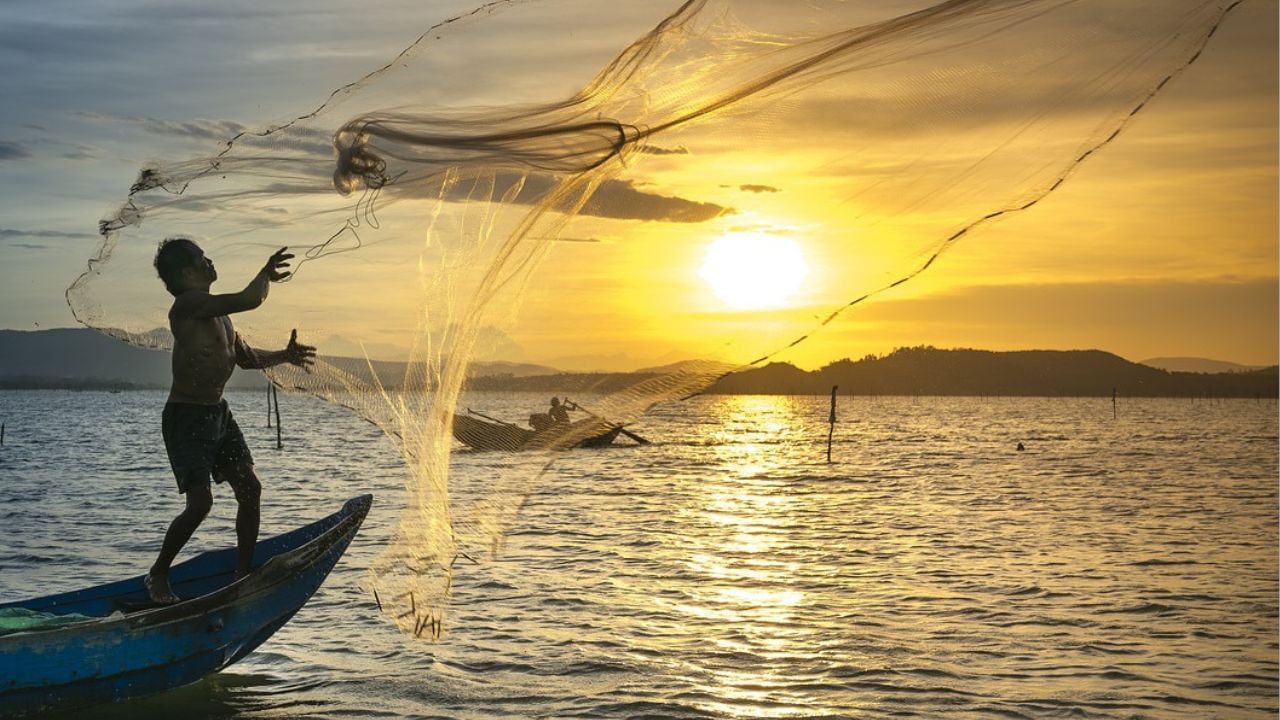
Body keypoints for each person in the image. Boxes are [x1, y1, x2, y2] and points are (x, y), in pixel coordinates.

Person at [145, 237, 316, 604]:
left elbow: (247, 359)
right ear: (188, 273)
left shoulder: (220, 316)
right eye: (202, 258)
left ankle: (242, 574)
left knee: (250, 489)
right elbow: (250, 298)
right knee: (200, 503)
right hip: (186, 417)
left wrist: (284, 356)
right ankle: (158, 573)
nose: (210, 261)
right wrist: (266, 274)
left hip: (218, 413)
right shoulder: (188, 306)